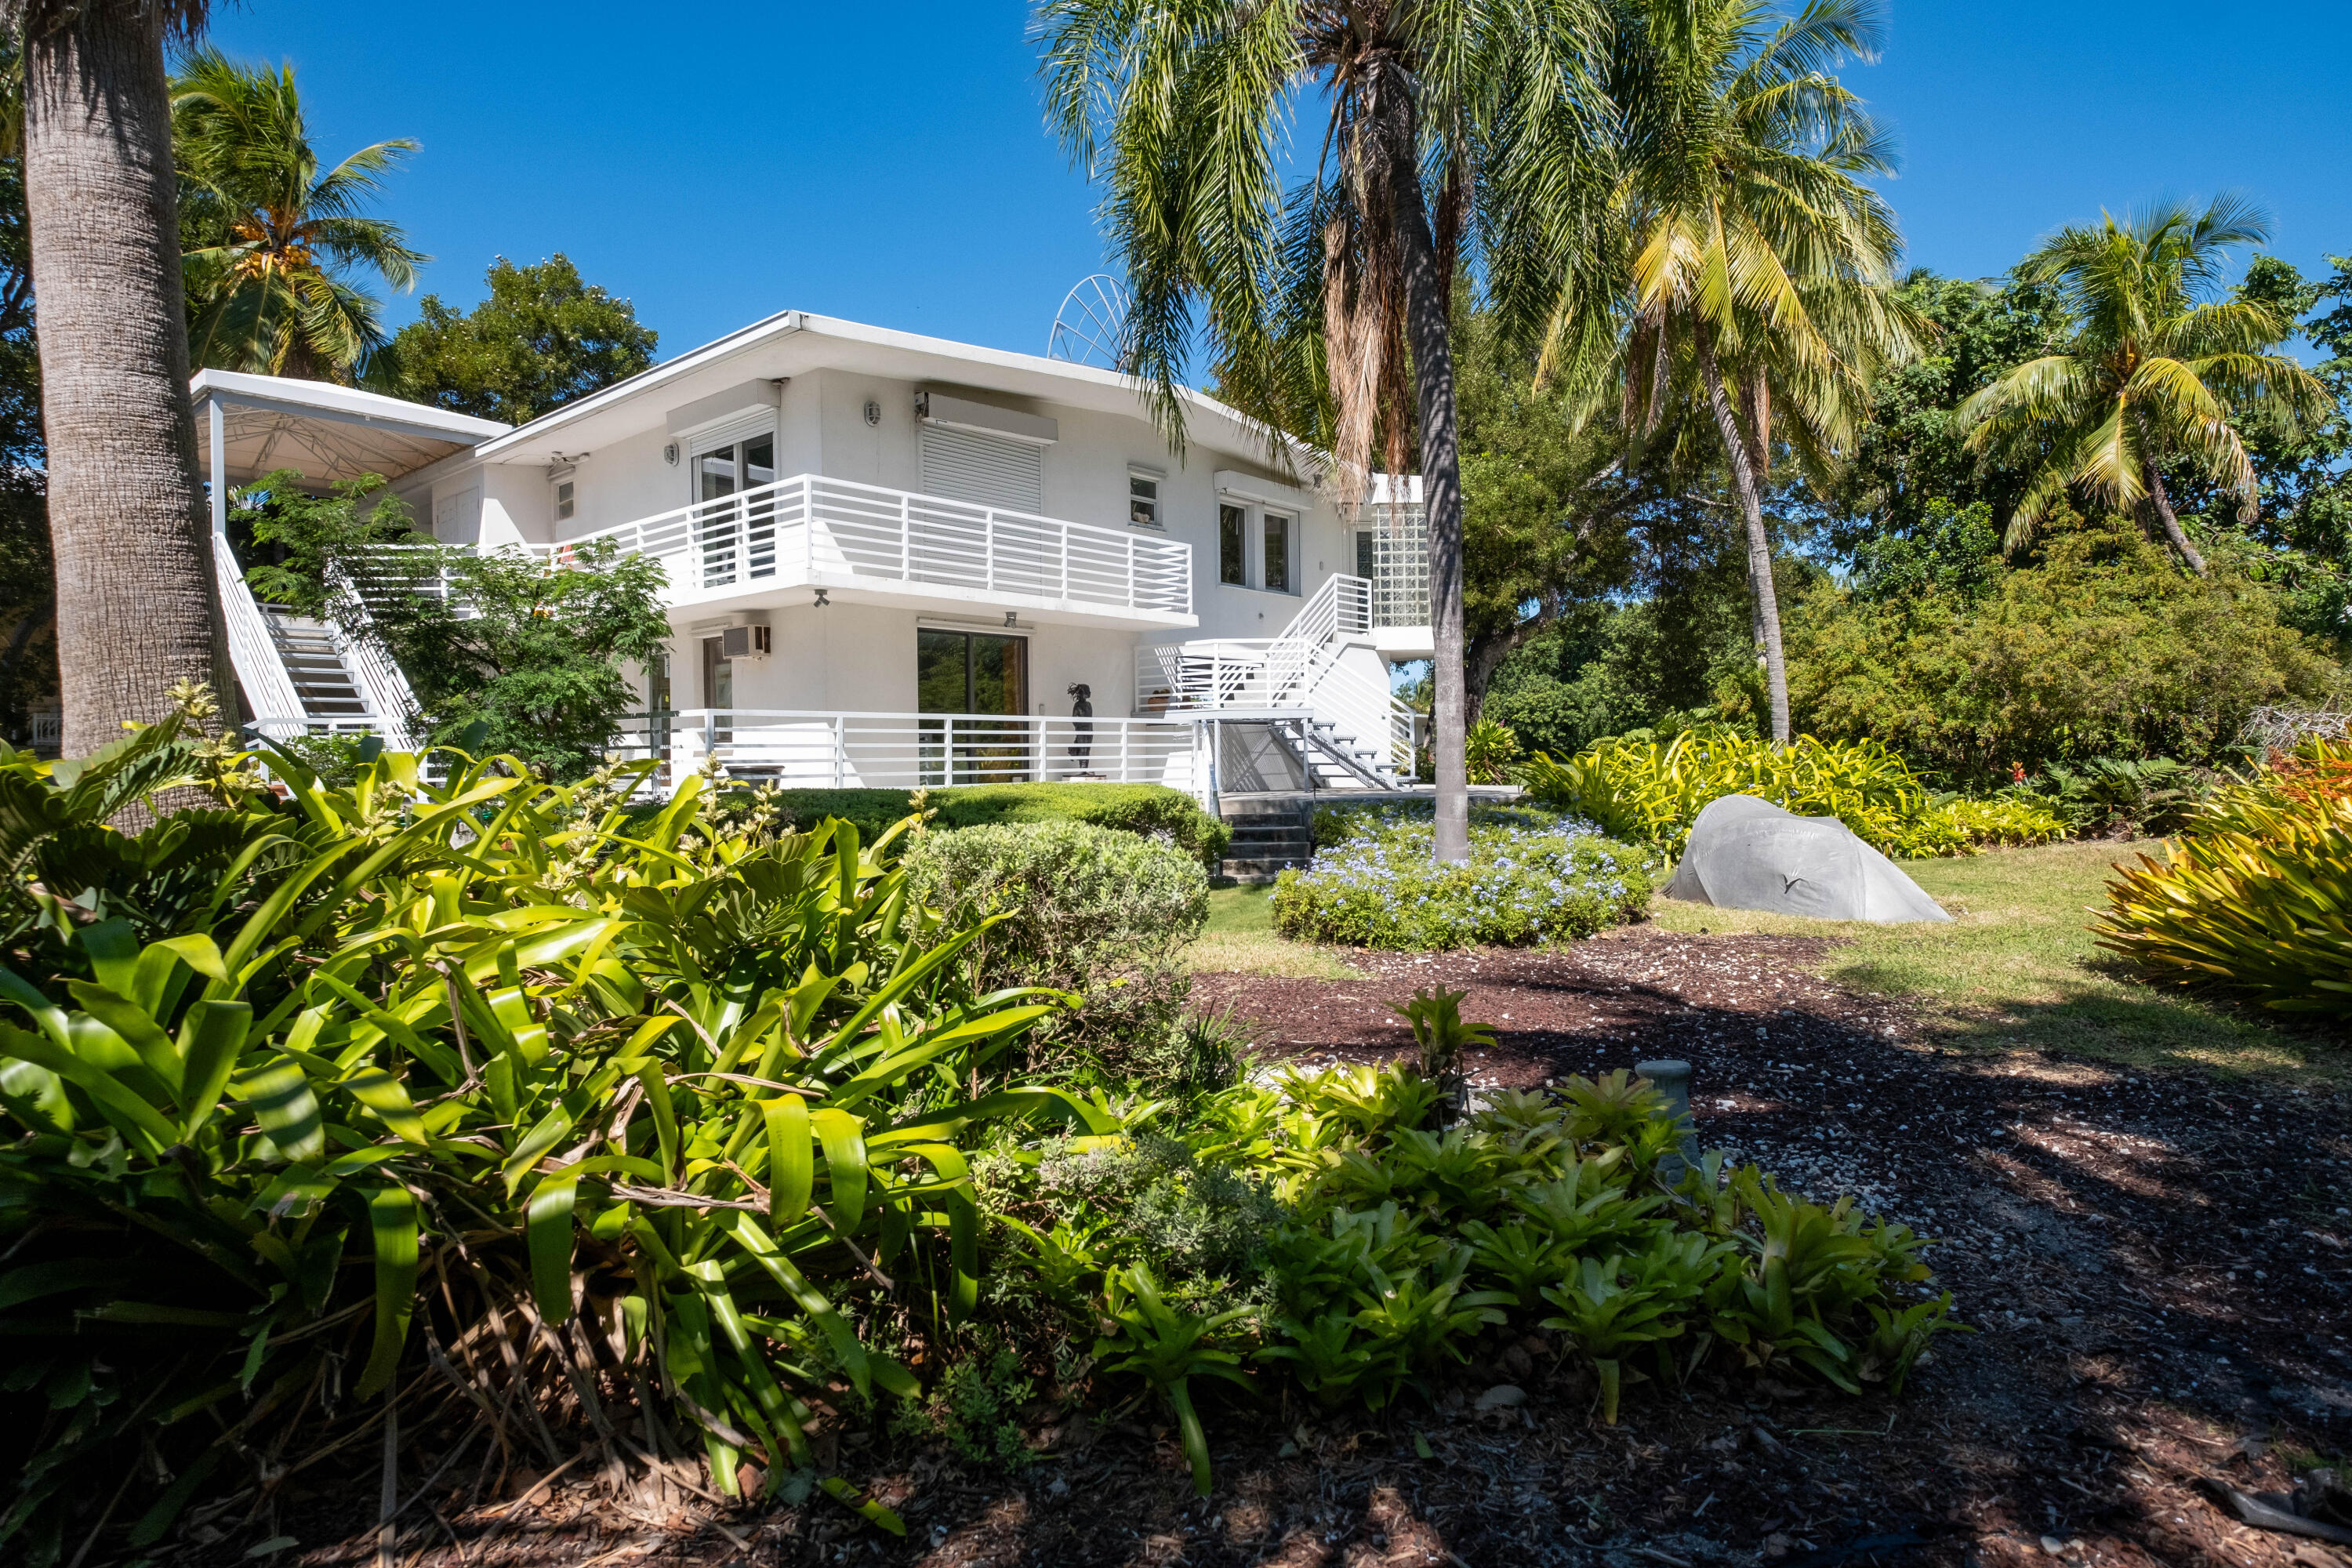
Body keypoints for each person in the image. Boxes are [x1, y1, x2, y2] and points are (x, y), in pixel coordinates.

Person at [1068, 681, 1094, 770]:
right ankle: (1082, 768)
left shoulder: (1089, 704)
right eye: (1087, 692)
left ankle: (1085, 769)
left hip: (1089, 729)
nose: (1089, 694)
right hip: (1082, 730)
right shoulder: (1077, 705)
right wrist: (1079, 727)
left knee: (1087, 749)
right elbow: (1074, 719)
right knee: (1083, 749)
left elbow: (1090, 717)